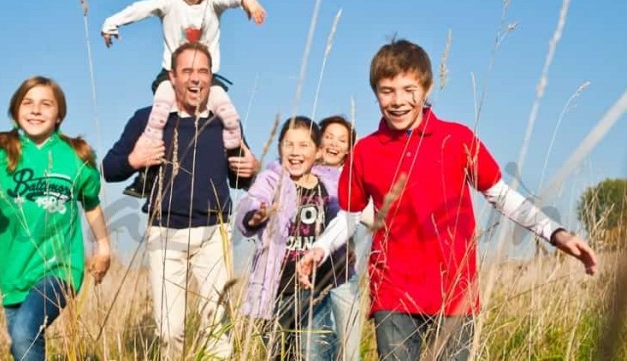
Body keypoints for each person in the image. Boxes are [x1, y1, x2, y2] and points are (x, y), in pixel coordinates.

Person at [299, 39, 598, 361]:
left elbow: (501, 195)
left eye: (408, 89)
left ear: (426, 89)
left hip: (455, 290)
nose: (398, 101)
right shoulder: (365, 152)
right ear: (375, 93)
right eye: (387, 91)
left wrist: (555, 233)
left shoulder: (456, 139)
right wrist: (320, 248)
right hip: (393, 290)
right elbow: (350, 214)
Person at [101, 42, 259, 360]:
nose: (195, 79)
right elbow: (108, 169)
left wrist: (252, 169)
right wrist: (134, 159)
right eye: (187, 71)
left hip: (214, 232)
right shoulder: (147, 119)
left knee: (217, 328)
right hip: (164, 232)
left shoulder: (225, 122)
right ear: (172, 77)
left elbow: (239, 179)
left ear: (211, 77)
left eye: (203, 71)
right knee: (170, 330)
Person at [0, 76, 111, 361]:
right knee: (20, 344)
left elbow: (91, 203)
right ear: (16, 111)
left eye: (46, 104)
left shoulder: (76, 155)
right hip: (14, 273)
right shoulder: (0, 154)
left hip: (60, 270)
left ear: (59, 114)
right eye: (28, 103)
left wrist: (103, 247)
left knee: (26, 333)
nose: (36, 110)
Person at [101, 0, 266, 198]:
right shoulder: (169, 2)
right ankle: (147, 174)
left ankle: (235, 156)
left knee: (228, 113)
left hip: (209, 78)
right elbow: (140, 9)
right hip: (170, 76)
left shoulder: (213, 2)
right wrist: (110, 23)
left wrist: (249, 1)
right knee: (159, 114)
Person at [236, 116, 353, 361]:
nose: (295, 152)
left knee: (313, 351)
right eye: (288, 144)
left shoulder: (328, 185)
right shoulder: (272, 179)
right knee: (280, 352)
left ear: (318, 150)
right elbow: (253, 199)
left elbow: (346, 217)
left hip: (315, 287)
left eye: (303, 145)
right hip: (278, 286)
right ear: (279, 147)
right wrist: (254, 215)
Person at [312, 115, 362, 361]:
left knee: (349, 351)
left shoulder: (353, 179)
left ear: (349, 149)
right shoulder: (304, 174)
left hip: (343, 274)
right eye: (329, 136)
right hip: (310, 278)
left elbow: (370, 215)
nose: (334, 143)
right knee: (315, 350)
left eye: (342, 140)